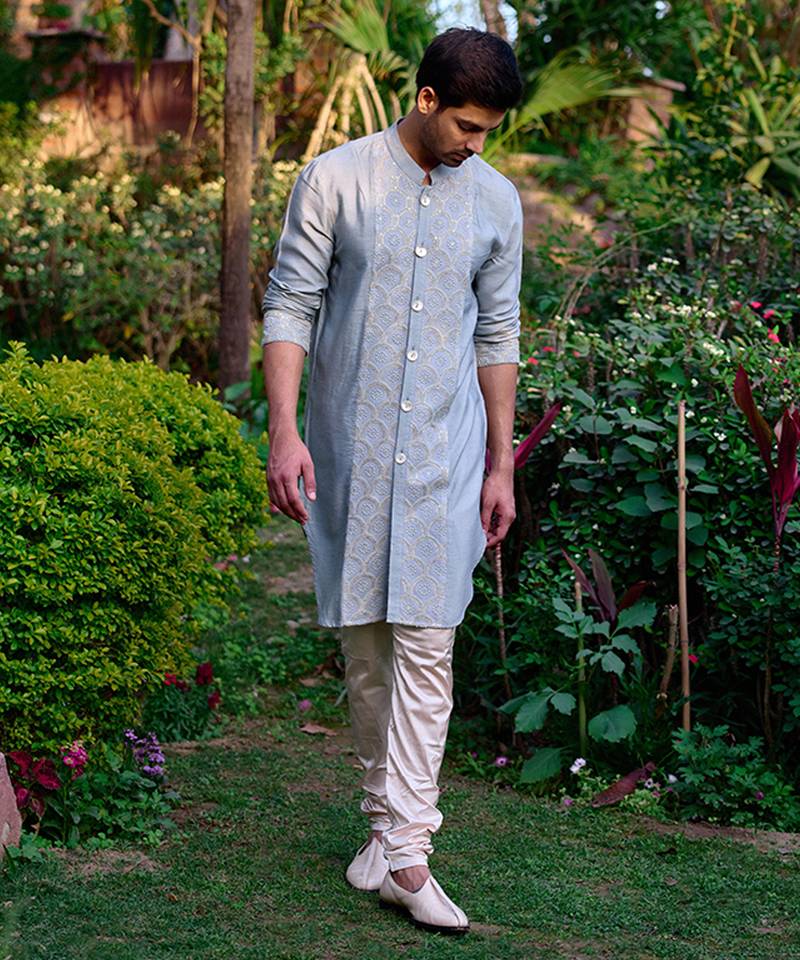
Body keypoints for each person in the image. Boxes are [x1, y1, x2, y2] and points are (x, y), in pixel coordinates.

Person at [261, 27, 523, 935]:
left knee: (426, 642)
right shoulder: (334, 180)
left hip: (446, 457)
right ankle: (382, 828)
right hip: (351, 449)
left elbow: (498, 334)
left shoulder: (497, 201)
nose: (475, 145)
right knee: (367, 649)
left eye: (488, 132)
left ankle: (409, 854)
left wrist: (500, 463)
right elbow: (290, 302)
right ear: (425, 99)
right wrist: (285, 433)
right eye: (466, 126)